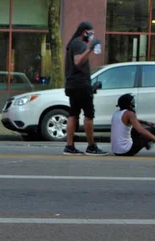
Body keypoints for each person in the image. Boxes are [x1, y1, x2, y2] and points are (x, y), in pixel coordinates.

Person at [63, 21, 107, 156]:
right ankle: (91, 146)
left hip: (73, 84)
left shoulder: (74, 44)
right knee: (88, 115)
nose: (92, 36)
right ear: (85, 32)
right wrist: (90, 48)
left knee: (73, 114)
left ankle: (69, 146)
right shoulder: (78, 44)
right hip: (81, 85)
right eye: (91, 33)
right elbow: (78, 61)